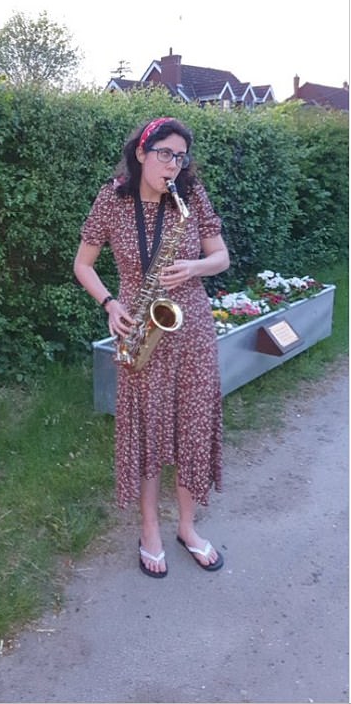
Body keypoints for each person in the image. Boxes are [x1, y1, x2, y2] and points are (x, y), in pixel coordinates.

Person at [74, 116, 230, 578]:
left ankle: (186, 526)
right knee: (146, 431)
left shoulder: (191, 197)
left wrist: (194, 267)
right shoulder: (112, 199)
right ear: (141, 153)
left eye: (180, 158)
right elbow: (82, 263)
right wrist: (109, 302)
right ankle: (150, 531)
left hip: (193, 328)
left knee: (192, 427)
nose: (173, 166)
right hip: (141, 328)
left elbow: (221, 257)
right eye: (165, 154)